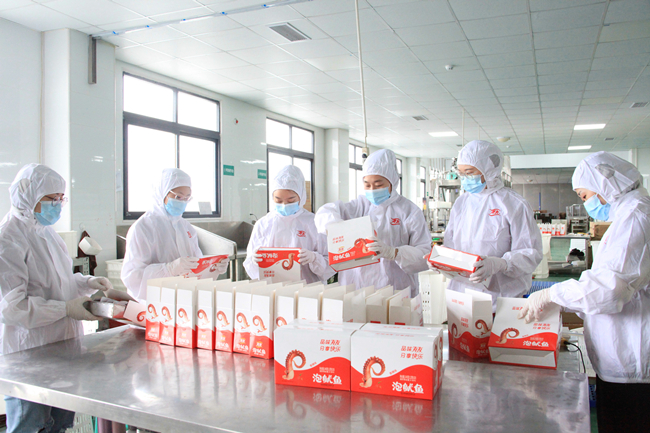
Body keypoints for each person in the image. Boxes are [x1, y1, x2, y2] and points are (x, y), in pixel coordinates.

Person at [519, 152, 650, 433]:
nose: (586, 203)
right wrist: (566, 302)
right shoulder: (629, 214)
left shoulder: (636, 217)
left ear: (605, 184)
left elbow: (610, 290)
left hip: (634, 366)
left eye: (584, 195)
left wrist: (554, 294)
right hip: (622, 362)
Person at [0, 164, 114, 432]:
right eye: (52, 199)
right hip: (29, 355)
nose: (58, 205)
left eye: (61, 199)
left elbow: (60, 282)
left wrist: (88, 283)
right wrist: (65, 309)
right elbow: (12, 307)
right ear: (29, 197)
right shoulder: (8, 238)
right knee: (31, 425)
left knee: (59, 425)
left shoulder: (47, 232)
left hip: (63, 348)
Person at [433, 140, 542, 309]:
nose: (465, 179)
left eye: (470, 173)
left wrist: (500, 264)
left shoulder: (514, 204)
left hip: (502, 297)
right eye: (461, 174)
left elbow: (530, 254)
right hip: (462, 296)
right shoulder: (461, 203)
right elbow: (451, 245)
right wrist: (440, 260)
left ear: (489, 170)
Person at [315, 149, 430, 296]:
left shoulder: (409, 211)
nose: (372, 190)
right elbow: (325, 212)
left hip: (396, 290)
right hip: (357, 288)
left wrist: (394, 253)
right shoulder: (359, 206)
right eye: (367, 185)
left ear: (392, 181)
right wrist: (335, 227)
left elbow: (425, 254)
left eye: (378, 184)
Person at [121, 168, 228, 301]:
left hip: (184, 299)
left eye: (187, 198)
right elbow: (132, 277)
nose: (182, 202)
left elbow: (197, 265)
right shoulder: (143, 227)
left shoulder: (186, 228)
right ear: (162, 193)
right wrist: (169, 269)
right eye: (178, 197)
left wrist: (213, 267)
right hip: (153, 302)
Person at [244, 165, 333, 283]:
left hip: (308, 289)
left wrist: (314, 258)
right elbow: (251, 267)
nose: (284, 205)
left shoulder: (314, 223)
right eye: (278, 200)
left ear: (301, 196)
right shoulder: (263, 224)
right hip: (273, 289)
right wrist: (254, 260)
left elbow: (330, 264)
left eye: (291, 200)